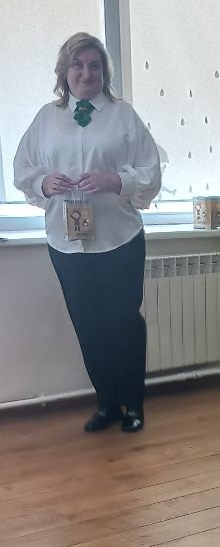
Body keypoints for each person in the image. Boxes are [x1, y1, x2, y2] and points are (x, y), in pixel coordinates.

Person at [14, 32, 161, 433]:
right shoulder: (47, 118)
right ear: (64, 70)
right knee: (88, 325)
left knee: (123, 323)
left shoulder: (123, 115)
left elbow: (150, 172)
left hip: (118, 239)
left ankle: (133, 405)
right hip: (66, 243)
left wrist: (117, 180)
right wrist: (45, 183)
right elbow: (23, 169)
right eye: (78, 65)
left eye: (95, 66)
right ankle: (107, 404)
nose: (86, 73)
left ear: (104, 73)